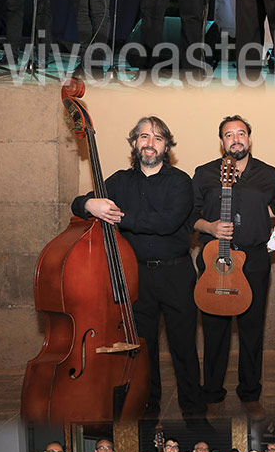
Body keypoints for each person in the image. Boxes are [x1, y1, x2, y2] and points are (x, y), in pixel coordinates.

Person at [71, 114, 206, 420]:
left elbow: (167, 222)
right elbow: (79, 205)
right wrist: (89, 205)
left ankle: (194, 414)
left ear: (166, 146)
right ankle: (149, 409)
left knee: (183, 348)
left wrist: (120, 216)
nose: (150, 143)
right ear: (133, 142)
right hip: (135, 276)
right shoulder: (118, 182)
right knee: (142, 350)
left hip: (176, 274)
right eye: (144, 136)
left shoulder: (180, 181)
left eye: (157, 138)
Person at [192, 114, 275, 413]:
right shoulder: (204, 173)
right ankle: (212, 391)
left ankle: (250, 391)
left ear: (249, 138)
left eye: (241, 133)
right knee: (215, 328)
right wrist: (210, 227)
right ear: (222, 142)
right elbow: (189, 216)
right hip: (215, 258)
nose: (236, 139)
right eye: (229, 135)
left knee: (252, 328)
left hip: (254, 259)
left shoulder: (268, 173)